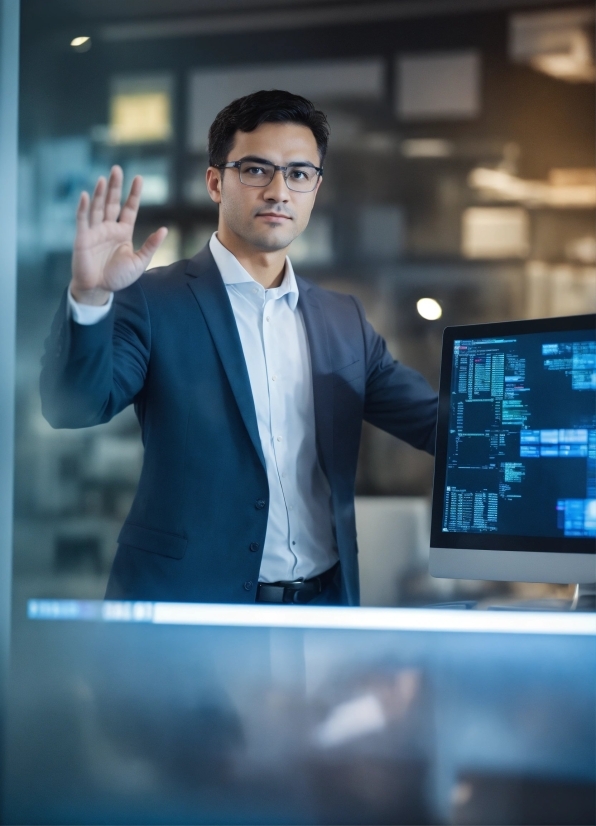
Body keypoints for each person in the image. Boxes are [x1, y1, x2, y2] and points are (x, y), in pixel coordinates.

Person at [40, 90, 437, 606]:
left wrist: (555, 418)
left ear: (316, 188)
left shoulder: (344, 319)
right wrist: (91, 296)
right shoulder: (153, 300)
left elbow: (435, 422)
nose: (279, 191)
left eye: (298, 174)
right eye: (256, 170)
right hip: (191, 610)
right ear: (215, 181)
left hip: (322, 608)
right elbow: (73, 406)